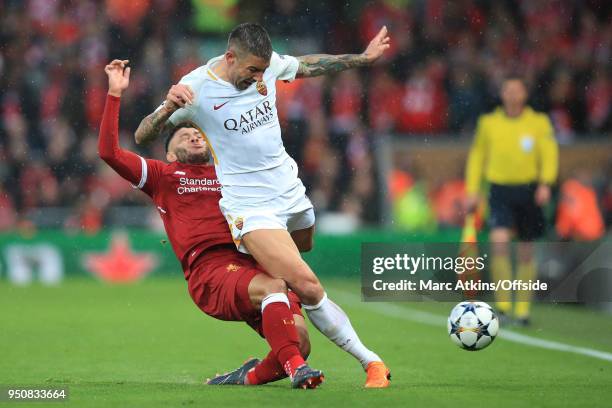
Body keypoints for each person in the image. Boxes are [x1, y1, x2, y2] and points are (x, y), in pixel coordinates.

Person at [135, 22, 391, 387]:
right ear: (229, 57)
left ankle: (253, 366)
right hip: (249, 204)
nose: (259, 78)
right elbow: (142, 134)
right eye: (251, 70)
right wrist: (165, 110)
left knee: (303, 250)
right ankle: (372, 363)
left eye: (263, 70)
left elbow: (309, 64)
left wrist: (363, 59)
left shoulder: (266, 66)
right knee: (306, 283)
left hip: (288, 189)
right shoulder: (196, 88)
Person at [99, 59, 324, 389]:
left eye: (196, 132)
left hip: (253, 260)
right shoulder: (163, 176)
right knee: (275, 292)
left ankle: (247, 377)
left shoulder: (229, 171)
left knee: (300, 342)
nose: (192, 135)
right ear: (170, 154)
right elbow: (109, 151)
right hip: (212, 271)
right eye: (183, 135)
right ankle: (298, 371)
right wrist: (115, 94)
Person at [465, 76, 559, 325]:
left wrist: (545, 183)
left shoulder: (539, 123)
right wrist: (473, 189)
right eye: (508, 90)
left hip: (529, 190)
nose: (513, 95)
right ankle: (504, 305)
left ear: (525, 94)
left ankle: (523, 310)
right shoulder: (489, 123)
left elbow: (549, 154)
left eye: (517, 90)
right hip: (499, 190)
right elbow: (477, 156)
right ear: (502, 94)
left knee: (526, 252)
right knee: (499, 243)